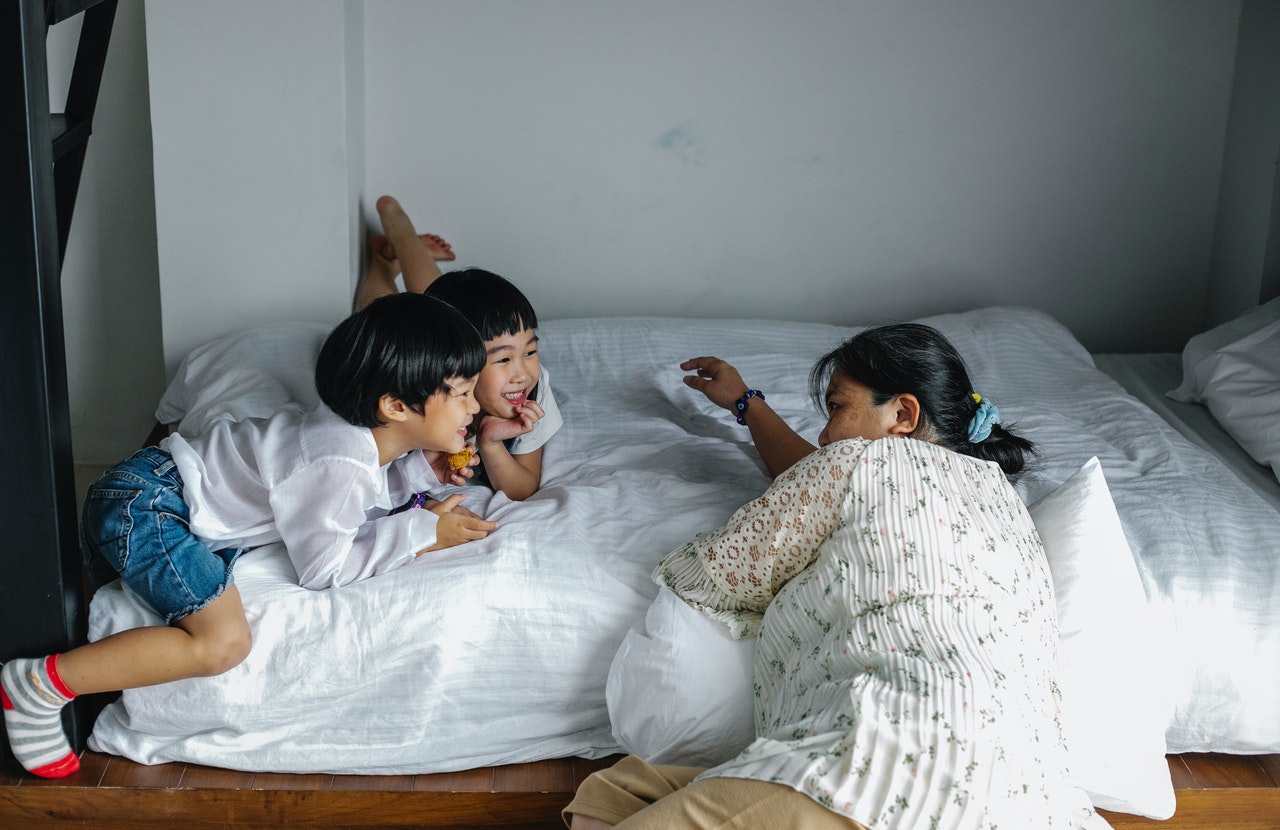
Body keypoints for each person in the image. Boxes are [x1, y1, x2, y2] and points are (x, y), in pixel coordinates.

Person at [563, 324, 1099, 829]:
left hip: (883, 763)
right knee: (619, 790)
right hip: (1036, 798)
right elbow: (827, 473)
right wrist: (747, 403)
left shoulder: (856, 465)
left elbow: (717, 573)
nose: (823, 434)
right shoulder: (1003, 501)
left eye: (837, 408)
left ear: (903, 413)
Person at [0, 292, 497, 779]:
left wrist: (416, 474)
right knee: (224, 643)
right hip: (150, 507)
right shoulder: (338, 460)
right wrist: (422, 532)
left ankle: (60, 679)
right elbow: (325, 570)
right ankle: (38, 686)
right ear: (395, 406)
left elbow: (342, 498)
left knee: (125, 623)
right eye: (463, 393)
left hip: (144, 487)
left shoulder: (348, 440)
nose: (475, 406)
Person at [356, 195, 562, 501]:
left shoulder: (531, 390)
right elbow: (375, 484)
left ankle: (394, 251)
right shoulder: (418, 395)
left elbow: (523, 487)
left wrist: (490, 443)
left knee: (442, 304)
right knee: (385, 314)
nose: (522, 373)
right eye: (503, 359)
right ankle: (393, 251)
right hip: (417, 353)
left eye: (530, 352)